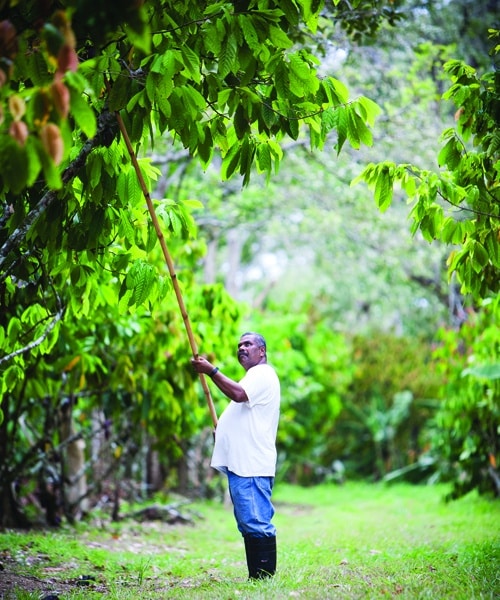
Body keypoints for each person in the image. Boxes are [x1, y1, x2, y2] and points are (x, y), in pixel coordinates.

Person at [191, 332, 281, 580]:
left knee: (256, 521)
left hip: (251, 465)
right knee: (248, 522)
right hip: (243, 465)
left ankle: (263, 578)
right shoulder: (253, 377)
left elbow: (239, 394)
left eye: (248, 344)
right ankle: (257, 576)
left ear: (261, 351)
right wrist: (223, 434)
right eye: (239, 345)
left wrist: (211, 371)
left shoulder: (262, 374)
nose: (242, 348)